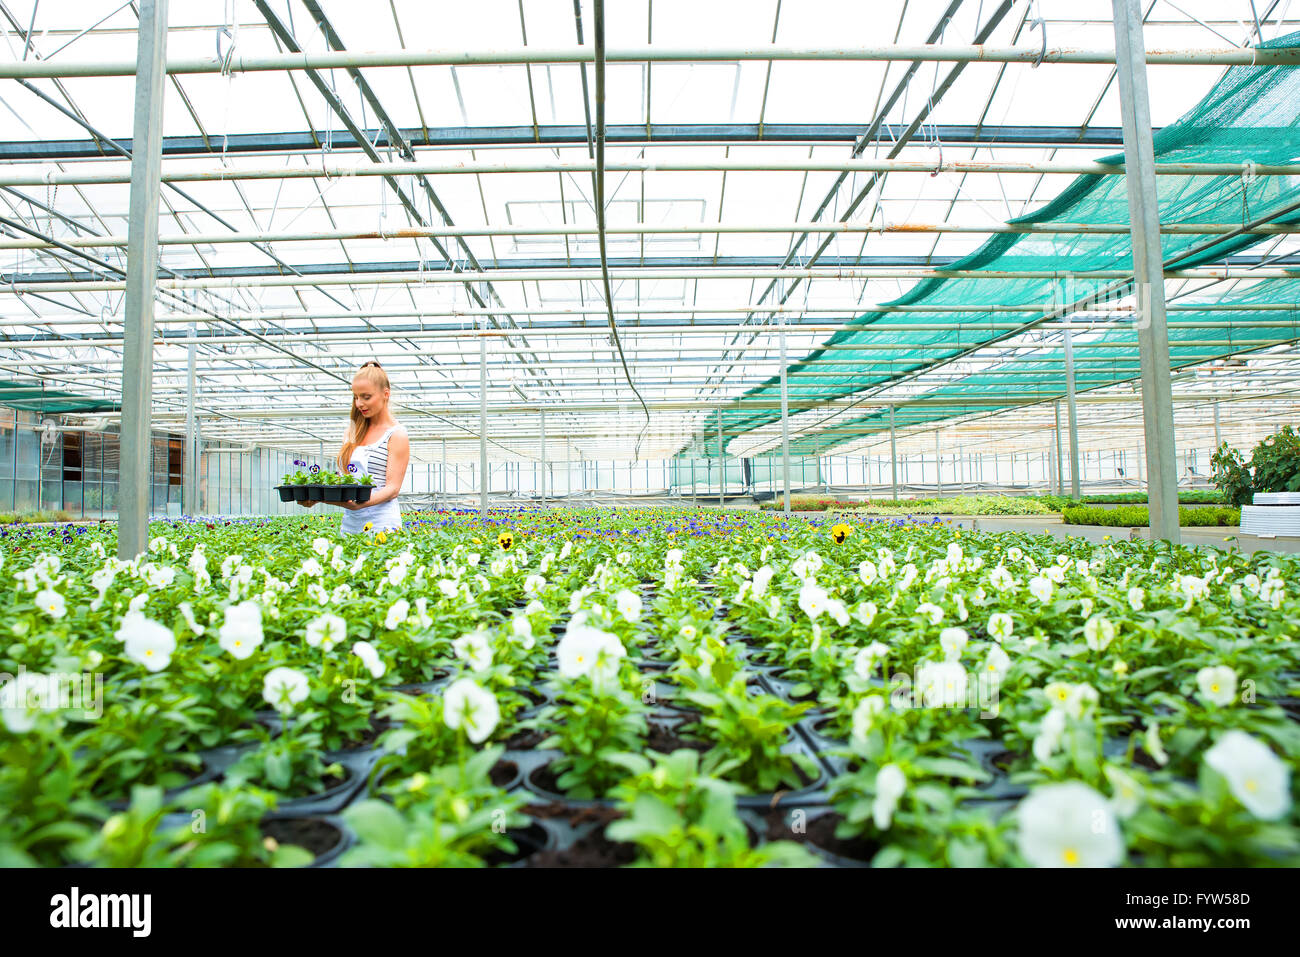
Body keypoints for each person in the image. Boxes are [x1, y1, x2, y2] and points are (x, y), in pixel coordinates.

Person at [300, 360, 409, 533]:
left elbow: (392, 489)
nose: (359, 404)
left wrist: (359, 503)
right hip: (351, 523)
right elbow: (346, 479)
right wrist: (318, 496)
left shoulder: (396, 434)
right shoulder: (351, 432)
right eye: (356, 397)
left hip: (382, 524)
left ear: (385, 394)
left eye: (366, 397)